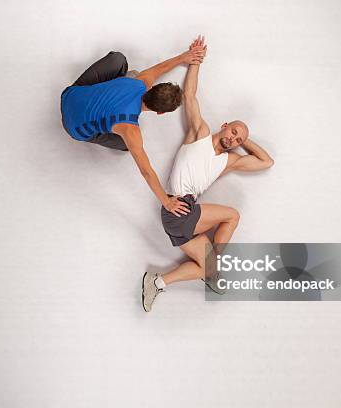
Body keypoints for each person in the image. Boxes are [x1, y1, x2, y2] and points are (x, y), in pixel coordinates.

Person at [141, 36, 275, 312]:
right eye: (233, 132)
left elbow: (266, 162)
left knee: (206, 267)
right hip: (177, 206)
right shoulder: (199, 134)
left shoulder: (229, 161)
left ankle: (158, 282)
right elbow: (190, 95)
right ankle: (216, 269)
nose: (233, 140)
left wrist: (245, 139)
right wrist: (195, 59)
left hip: (179, 216)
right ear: (224, 126)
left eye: (237, 140)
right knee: (232, 215)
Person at [60, 39, 207, 216]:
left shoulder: (140, 82)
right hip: (73, 127)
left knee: (119, 60)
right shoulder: (130, 130)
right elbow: (146, 171)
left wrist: (184, 57)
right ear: (160, 113)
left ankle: (111, 92)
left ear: (152, 87)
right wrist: (167, 202)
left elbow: (159, 68)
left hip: (70, 94)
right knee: (126, 145)